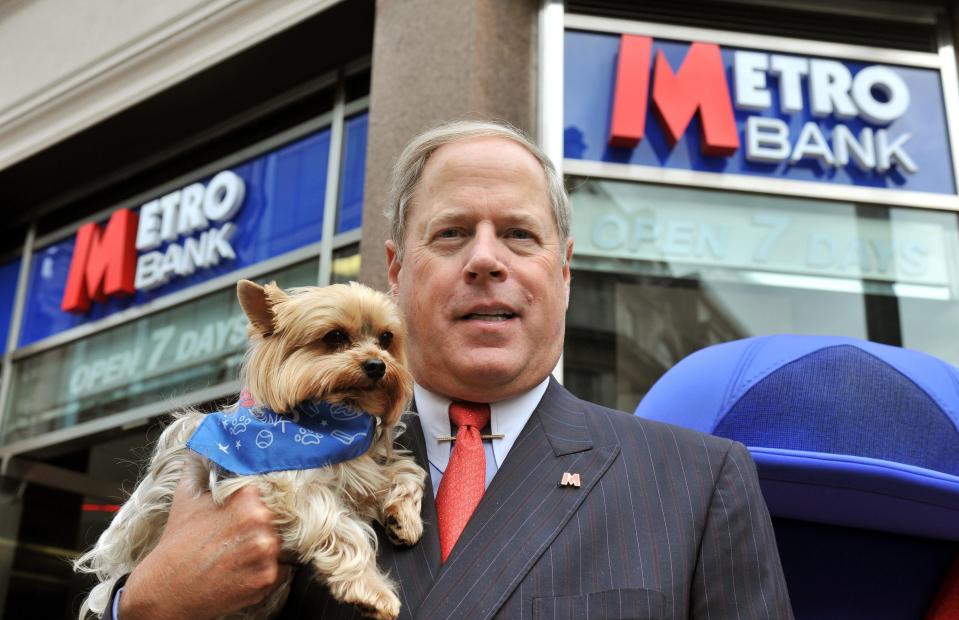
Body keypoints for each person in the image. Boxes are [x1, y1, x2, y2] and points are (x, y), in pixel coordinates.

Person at [109, 121, 793, 619]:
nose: (485, 260)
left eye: (520, 235)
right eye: (451, 233)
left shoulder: (696, 482)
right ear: (397, 271)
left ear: (563, 271)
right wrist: (143, 604)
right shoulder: (258, 454)